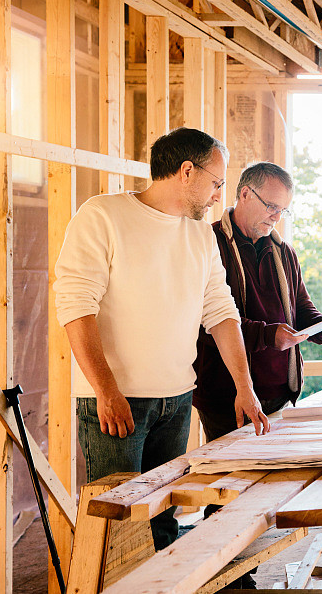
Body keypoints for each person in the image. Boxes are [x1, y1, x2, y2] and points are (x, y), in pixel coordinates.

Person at [54, 128, 269, 551]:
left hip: (177, 403)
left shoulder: (201, 236)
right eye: (217, 182)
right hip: (117, 404)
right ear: (187, 171)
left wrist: (245, 388)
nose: (217, 195)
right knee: (117, 535)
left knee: (162, 525)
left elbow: (222, 314)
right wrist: (106, 390)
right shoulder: (102, 215)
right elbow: (76, 307)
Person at [193, 161, 322, 444]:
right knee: (233, 481)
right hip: (227, 396)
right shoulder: (209, 243)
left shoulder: (284, 251)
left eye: (283, 210)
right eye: (271, 206)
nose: (277, 217)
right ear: (244, 194)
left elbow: (300, 310)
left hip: (281, 393)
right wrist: (268, 335)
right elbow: (205, 321)